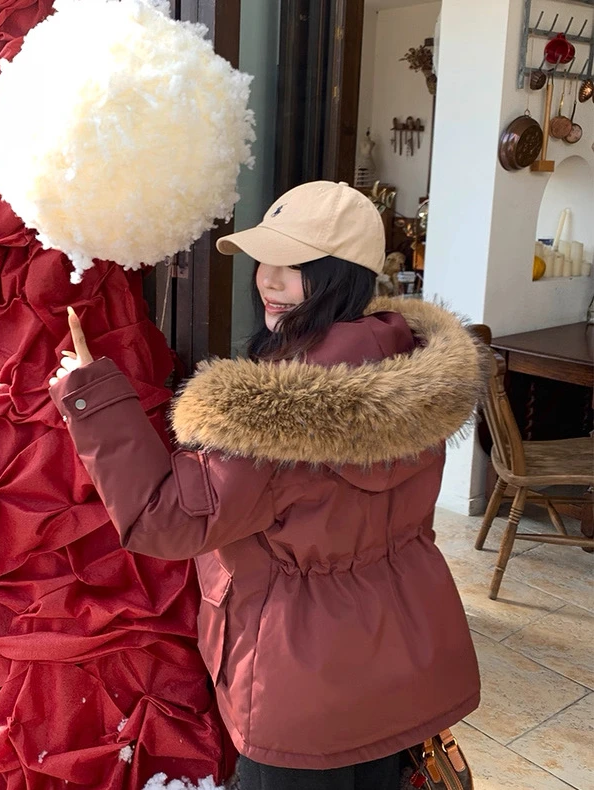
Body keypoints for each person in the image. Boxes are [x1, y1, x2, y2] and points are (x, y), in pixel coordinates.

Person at [48, 181, 483, 790]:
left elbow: (165, 518)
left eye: (296, 266)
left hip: (300, 691)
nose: (269, 281)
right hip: (397, 674)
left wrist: (91, 396)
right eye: (264, 261)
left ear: (341, 276)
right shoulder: (409, 370)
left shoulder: (278, 414)